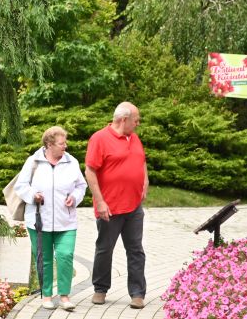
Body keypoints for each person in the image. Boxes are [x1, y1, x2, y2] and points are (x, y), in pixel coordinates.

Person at [14, 125, 88, 312]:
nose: (65, 146)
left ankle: (64, 296)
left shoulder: (71, 162)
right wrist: (33, 195)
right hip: (39, 221)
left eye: (65, 142)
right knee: (44, 259)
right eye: (62, 143)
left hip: (66, 221)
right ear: (49, 144)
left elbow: (81, 186)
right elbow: (21, 186)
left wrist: (75, 197)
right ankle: (46, 295)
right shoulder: (33, 162)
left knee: (65, 256)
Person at [84, 101, 148, 309]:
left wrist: (145, 181)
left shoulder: (134, 138)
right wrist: (100, 201)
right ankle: (100, 289)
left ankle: (137, 294)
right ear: (124, 119)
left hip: (134, 206)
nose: (138, 123)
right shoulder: (99, 138)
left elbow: (141, 160)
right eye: (136, 120)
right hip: (109, 208)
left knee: (136, 250)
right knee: (105, 249)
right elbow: (90, 171)